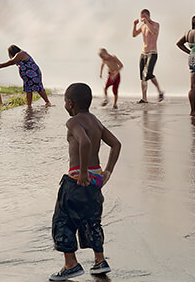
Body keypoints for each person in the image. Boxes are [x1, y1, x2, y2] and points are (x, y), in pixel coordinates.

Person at [49, 83, 121, 281]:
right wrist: (107, 172)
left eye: (65, 101)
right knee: (91, 220)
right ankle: (99, 261)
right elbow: (116, 144)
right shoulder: (95, 121)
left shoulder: (73, 122)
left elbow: (85, 142)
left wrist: (82, 173)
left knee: (63, 219)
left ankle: (70, 264)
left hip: (77, 180)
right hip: (96, 178)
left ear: (70, 104)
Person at [132, 9, 164, 103]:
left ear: (148, 16)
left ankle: (160, 91)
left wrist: (147, 22)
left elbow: (154, 32)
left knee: (148, 74)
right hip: (143, 53)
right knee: (142, 76)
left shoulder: (155, 25)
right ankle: (144, 98)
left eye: (144, 17)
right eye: (142, 17)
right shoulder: (143, 26)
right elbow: (134, 35)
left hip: (152, 52)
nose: (142, 19)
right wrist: (134, 25)